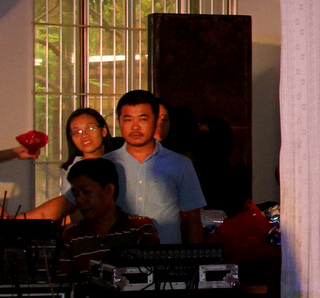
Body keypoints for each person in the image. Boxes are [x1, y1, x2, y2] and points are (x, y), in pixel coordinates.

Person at [103, 91, 204, 244]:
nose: (135, 127)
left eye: (143, 119)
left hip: (165, 258)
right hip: (116, 257)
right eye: (128, 120)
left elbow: (193, 219)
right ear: (118, 122)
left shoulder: (180, 164)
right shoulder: (104, 164)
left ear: (156, 121)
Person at [57, 158, 159, 275]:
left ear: (109, 190)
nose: (80, 201)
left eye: (86, 192)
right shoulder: (71, 236)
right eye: (75, 195)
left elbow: (151, 278)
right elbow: (64, 283)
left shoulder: (140, 228)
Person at [24, 107, 116, 222]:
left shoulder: (119, 161)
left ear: (103, 131)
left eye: (90, 128)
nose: (84, 135)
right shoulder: (76, 170)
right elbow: (69, 208)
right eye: (77, 132)